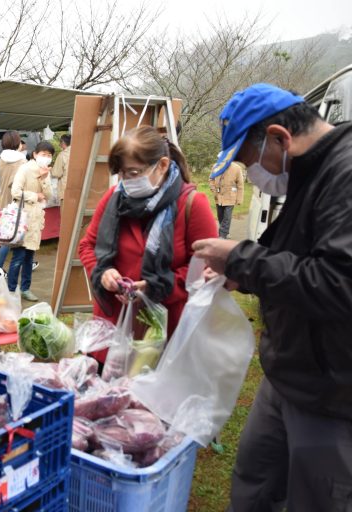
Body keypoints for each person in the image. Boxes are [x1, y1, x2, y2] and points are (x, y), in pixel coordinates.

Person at [192, 83, 352, 512]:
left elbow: (339, 283)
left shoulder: (345, 173)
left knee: (318, 499)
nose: (252, 174)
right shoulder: (309, 172)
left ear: (280, 137)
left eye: (250, 161)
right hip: (288, 374)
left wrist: (242, 259)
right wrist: (239, 276)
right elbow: (293, 254)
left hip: (335, 392)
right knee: (254, 483)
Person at [77, 126, 217, 363]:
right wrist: (103, 273)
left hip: (163, 332)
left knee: (148, 396)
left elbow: (205, 269)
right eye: (121, 173)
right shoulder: (114, 199)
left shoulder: (192, 204)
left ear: (162, 165)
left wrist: (154, 288)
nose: (125, 181)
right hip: (112, 330)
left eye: (133, 172)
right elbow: (87, 246)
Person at [8, 141, 55, 301]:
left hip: (36, 219)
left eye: (49, 155)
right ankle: (11, 289)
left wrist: (44, 178)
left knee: (29, 257)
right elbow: (15, 191)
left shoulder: (46, 172)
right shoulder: (25, 169)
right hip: (23, 218)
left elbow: (49, 195)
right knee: (19, 257)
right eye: (43, 154)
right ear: (35, 154)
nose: (46, 158)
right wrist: (35, 196)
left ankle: (25, 288)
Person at [0, 130, 27, 271]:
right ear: (17, 142)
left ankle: (23, 263)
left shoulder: (2, 159)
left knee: (10, 235)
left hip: (5, 200)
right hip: (17, 201)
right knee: (15, 236)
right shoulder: (21, 160)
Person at [208, 160, 245, 238]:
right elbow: (211, 179)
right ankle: (226, 232)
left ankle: (222, 235)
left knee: (227, 217)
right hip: (218, 197)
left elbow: (240, 184)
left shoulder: (237, 168)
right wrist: (213, 190)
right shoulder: (216, 166)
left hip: (231, 197)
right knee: (220, 216)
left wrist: (239, 199)